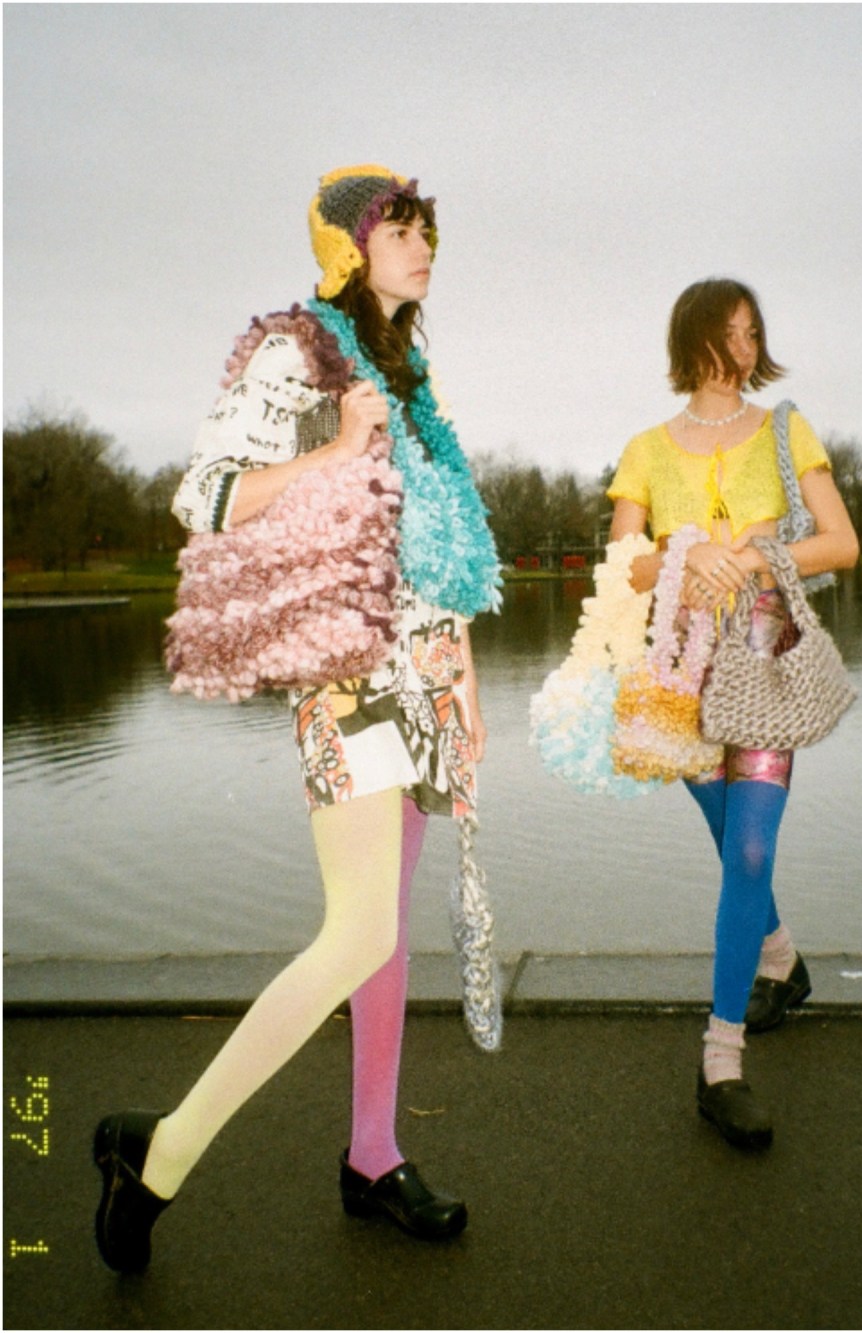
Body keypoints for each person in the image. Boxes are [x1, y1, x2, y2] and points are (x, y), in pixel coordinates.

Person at [93, 166, 503, 1274]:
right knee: (357, 930)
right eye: (401, 229)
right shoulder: (297, 350)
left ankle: (371, 1155)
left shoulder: (413, 374)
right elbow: (206, 493)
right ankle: (161, 1152)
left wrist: (462, 681)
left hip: (424, 675)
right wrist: (330, 452)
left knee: (386, 930)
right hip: (345, 670)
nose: (423, 247)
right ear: (345, 246)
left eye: (430, 231)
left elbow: (447, 537)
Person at [606, 277, 859, 1149]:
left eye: (754, 333)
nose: (744, 349)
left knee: (750, 844)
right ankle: (780, 958)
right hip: (679, 673)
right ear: (692, 339)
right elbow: (624, 564)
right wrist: (684, 551)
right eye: (729, 332)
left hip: (762, 661)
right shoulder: (644, 448)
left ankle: (721, 1060)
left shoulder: (787, 430)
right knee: (729, 838)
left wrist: (752, 556)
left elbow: (842, 541)